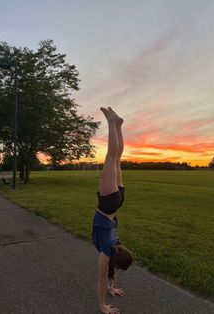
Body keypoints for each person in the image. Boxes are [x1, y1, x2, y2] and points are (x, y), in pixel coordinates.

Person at [92, 107, 133, 314]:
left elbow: (106, 276)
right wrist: (103, 307)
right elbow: (100, 280)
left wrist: (111, 287)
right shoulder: (108, 250)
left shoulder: (115, 244)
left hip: (118, 202)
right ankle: (111, 122)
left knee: (116, 159)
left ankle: (118, 124)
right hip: (108, 203)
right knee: (110, 157)